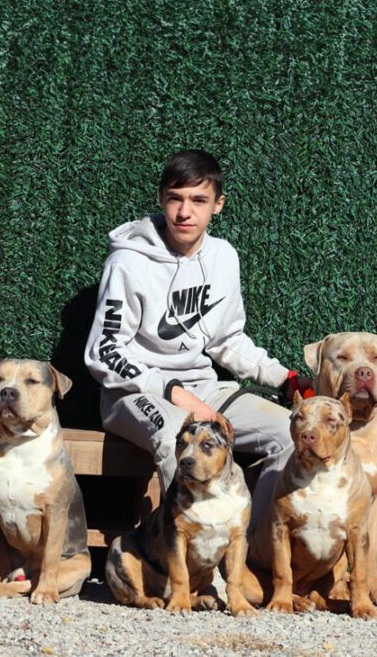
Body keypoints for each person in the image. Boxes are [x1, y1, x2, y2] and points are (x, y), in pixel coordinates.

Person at [83, 149, 309, 524]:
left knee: (289, 434)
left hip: (206, 389)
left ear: (218, 205)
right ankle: (190, 556)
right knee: (176, 435)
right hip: (134, 395)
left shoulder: (224, 257)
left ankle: (250, 549)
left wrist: (285, 380)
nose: (185, 212)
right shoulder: (127, 263)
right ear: (161, 200)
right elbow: (103, 352)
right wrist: (177, 395)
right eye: (175, 198)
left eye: (199, 200)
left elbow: (227, 340)